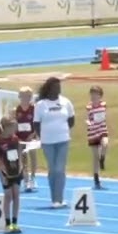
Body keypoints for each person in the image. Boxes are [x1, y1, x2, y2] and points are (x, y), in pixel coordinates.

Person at [33, 77, 74, 208]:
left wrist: (62, 130)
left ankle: (59, 199)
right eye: (56, 87)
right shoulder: (40, 105)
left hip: (63, 140)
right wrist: (44, 136)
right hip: (47, 142)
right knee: (52, 169)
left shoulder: (66, 102)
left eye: (59, 87)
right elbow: (36, 124)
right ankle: (54, 198)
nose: (58, 89)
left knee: (59, 169)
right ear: (49, 88)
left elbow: (71, 120)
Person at [0, 115, 24, 234]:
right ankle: (7, 223)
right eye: (12, 127)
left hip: (16, 171)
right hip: (6, 173)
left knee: (16, 196)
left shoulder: (15, 139)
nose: (14, 130)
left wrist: (21, 168)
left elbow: (19, 153)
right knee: (8, 196)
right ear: (5, 128)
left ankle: (15, 223)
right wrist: (2, 174)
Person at [13, 87, 39, 193]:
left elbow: (38, 123)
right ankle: (26, 180)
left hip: (31, 138)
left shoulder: (34, 109)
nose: (25, 98)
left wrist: (33, 135)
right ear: (19, 97)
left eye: (28, 96)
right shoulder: (16, 110)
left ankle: (33, 178)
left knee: (33, 158)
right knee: (23, 160)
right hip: (20, 139)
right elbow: (14, 125)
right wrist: (16, 137)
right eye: (23, 96)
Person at [85, 86, 109, 189]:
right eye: (92, 94)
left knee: (105, 143)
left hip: (102, 130)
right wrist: (88, 123)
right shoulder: (89, 107)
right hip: (93, 132)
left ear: (100, 96)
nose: (94, 96)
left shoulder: (104, 105)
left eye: (96, 94)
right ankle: (96, 179)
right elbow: (87, 118)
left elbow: (105, 115)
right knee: (95, 157)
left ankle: (102, 159)